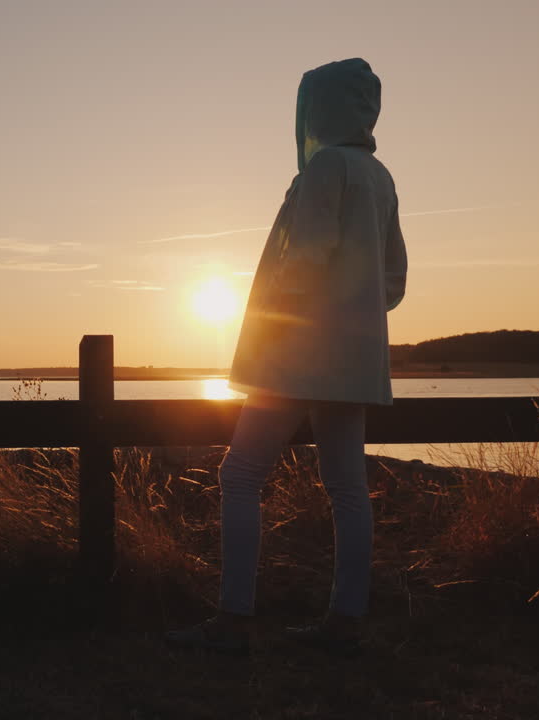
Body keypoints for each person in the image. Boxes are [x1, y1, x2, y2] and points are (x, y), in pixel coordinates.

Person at [167, 57, 407, 658]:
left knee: (240, 474)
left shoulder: (326, 168)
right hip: (354, 362)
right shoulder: (380, 177)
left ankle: (234, 619)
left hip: (297, 353)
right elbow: (396, 281)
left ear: (316, 110)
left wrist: (282, 332)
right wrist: (356, 315)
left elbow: (302, 262)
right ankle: (347, 621)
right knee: (347, 489)